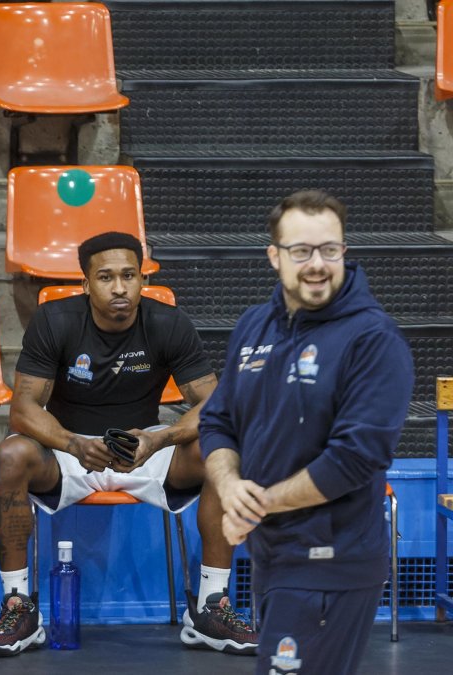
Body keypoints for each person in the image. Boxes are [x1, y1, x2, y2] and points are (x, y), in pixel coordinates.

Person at [0, 231, 259, 658]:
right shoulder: (55, 320)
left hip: (145, 445)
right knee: (10, 454)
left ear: (142, 279)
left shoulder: (168, 323)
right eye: (106, 277)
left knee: (220, 450)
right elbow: (24, 410)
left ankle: (209, 607)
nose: (119, 287)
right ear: (86, 283)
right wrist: (74, 444)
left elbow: (215, 404)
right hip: (68, 451)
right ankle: (20, 607)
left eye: (129, 275)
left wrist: (159, 437)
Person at [200, 190, 413, 674]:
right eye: (301, 251)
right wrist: (231, 487)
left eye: (329, 250)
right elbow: (217, 422)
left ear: (344, 252)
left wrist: (258, 506)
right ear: (274, 257)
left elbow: (355, 459)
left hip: (332, 563)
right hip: (273, 556)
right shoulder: (255, 325)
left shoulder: (374, 339)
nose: (317, 264)